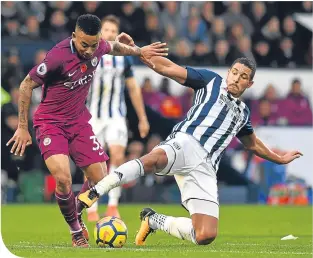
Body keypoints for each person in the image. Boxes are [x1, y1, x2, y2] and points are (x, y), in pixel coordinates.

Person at [78, 55, 302, 246]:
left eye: (243, 77)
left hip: (205, 168)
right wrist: (140, 52)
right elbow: (170, 68)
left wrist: (279, 159)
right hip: (186, 142)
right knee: (154, 159)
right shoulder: (211, 81)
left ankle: (153, 220)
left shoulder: (243, 113)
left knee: (205, 235)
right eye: (234, 72)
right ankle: (96, 191)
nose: (236, 78)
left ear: (249, 84)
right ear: (228, 72)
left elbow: (252, 143)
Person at [6, 14, 168, 248]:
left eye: (94, 45)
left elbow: (114, 47)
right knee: (63, 178)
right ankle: (75, 231)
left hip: (78, 122)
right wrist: (23, 127)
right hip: (50, 123)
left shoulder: (98, 46)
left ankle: (77, 211)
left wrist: (139, 51)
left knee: (100, 180)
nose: (89, 51)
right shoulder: (57, 57)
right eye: (84, 45)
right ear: (74, 36)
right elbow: (26, 84)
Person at [86, 15, 150, 221]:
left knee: (117, 156)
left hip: (116, 116)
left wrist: (142, 118)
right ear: (100, 32)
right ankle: (91, 206)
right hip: (92, 117)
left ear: (118, 34)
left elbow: (133, 89)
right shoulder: (89, 54)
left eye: (113, 31)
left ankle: (113, 204)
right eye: (106, 30)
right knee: (91, 162)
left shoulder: (123, 58)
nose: (110, 34)